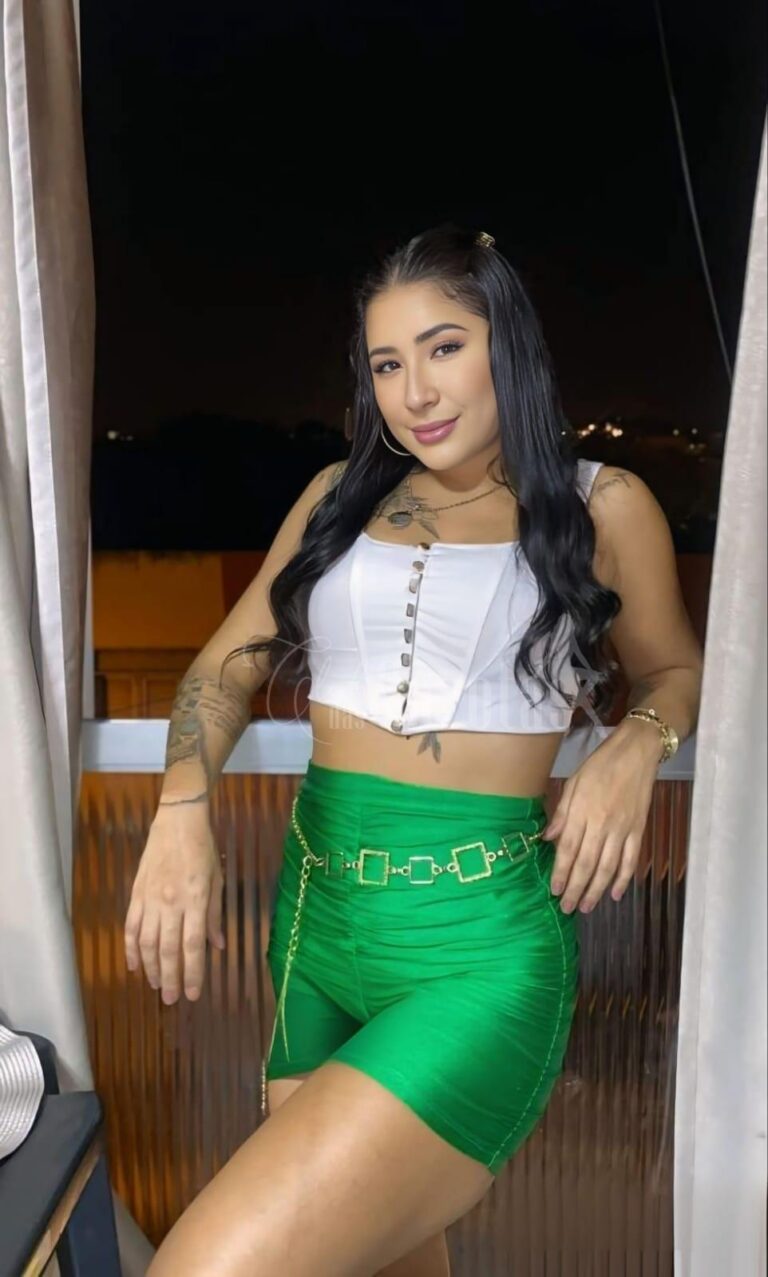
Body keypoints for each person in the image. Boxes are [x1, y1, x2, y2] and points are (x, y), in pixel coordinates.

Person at [126, 224, 704, 1277]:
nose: (416, 391)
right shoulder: (333, 498)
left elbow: (674, 669)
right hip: (316, 924)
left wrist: (637, 741)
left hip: (473, 951)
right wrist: (180, 809)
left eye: (444, 348)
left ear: (506, 346)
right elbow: (222, 670)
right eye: (387, 364)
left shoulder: (601, 503)